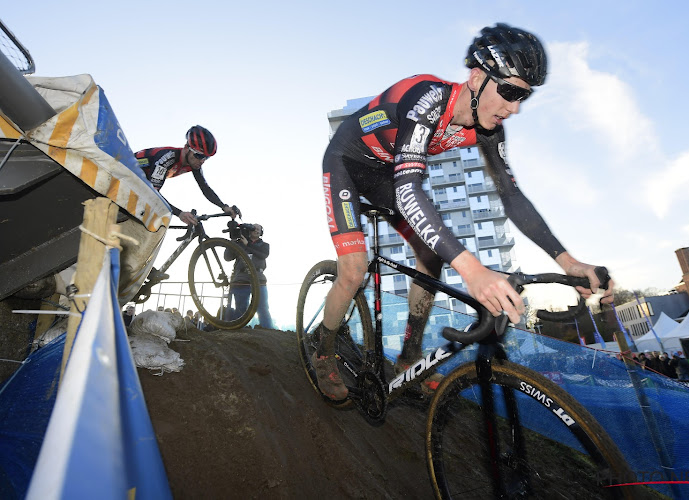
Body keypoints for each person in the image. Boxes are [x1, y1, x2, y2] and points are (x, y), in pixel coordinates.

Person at [314, 23, 614, 401]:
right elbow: (409, 190)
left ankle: (408, 361)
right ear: (476, 78)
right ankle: (323, 351)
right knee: (354, 270)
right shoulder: (427, 99)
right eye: (509, 91)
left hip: (385, 173)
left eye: (525, 97)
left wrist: (569, 262)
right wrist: (472, 271)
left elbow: (512, 198)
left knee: (431, 259)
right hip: (347, 162)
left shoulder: (489, 130)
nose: (515, 107)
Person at [135, 125, 241, 225]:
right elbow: (153, 193)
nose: (202, 161)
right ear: (186, 148)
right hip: (125, 170)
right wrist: (180, 213)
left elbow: (204, 188)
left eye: (206, 157)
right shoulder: (167, 158)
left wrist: (224, 207)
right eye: (199, 155)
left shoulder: (193, 163)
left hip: (141, 181)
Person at [226, 223, 273, 328]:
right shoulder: (240, 243)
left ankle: (268, 331)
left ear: (261, 232)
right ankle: (236, 331)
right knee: (240, 309)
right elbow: (227, 257)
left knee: (262, 308)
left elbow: (263, 254)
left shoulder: (264, 245)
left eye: (258, 229)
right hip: (240, 278)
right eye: (253, 228)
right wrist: (233, 241)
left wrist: (248, 245)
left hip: (258, 279)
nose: (256, 230)